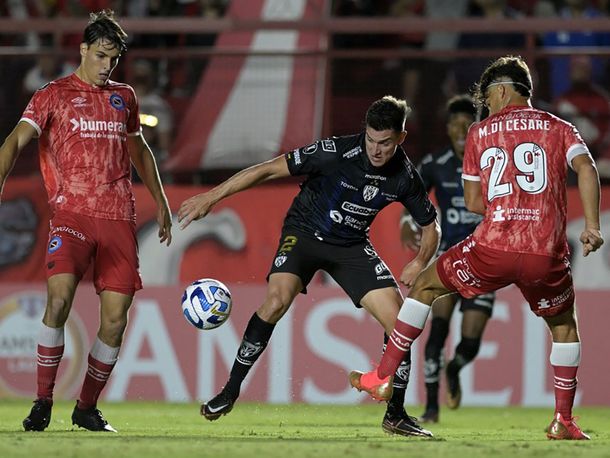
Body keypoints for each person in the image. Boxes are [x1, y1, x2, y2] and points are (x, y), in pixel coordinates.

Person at [350, 56, 604, 440]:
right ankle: (563, 420)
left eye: (487, 96)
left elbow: (472, 202)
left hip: (492, 248)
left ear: (501, 90)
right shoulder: (559, 126)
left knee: (424, 287)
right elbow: (587, 168)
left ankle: (383, 377)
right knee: (565, 326)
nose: (485, 104)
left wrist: (508, 207)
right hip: (545, 251)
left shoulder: (480, 132)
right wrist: (591, 226)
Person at [178, 95, 441, 437]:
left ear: (401, 138)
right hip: (303, 233)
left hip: (350, 245)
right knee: (276, 301)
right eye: (371, 140)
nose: (376, 150)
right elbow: (268, 169)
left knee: (401, 323)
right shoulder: (335, 151)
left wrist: (420, 262)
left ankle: (395, 414)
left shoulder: (405, 176)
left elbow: (431, 227)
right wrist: (211, 196)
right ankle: (230, 391)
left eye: (386, 143)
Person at [0, 10, 173, 433]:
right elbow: (16, 140)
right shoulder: (53, 94)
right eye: (100, 56)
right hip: (72, 214)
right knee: (58, 300)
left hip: (118, 218)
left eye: (113, 59)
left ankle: (86, 408)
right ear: (82, 50)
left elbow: (140, 150)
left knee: (115, 319)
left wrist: (161, 201)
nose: (106, 66)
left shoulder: (124, 97)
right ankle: (42, 401)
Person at [400, 94, 495, 424]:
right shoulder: (435, 163)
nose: (459, 130)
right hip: (449, 257)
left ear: (476, 127)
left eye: (466, 124)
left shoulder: (492, 160)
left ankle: (454, 368)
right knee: (437, 331)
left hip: (484, 260)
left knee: (470, 342)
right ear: (447, 128)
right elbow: (412, 195)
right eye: (454, 124)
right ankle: (431, 407)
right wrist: (405, 221)